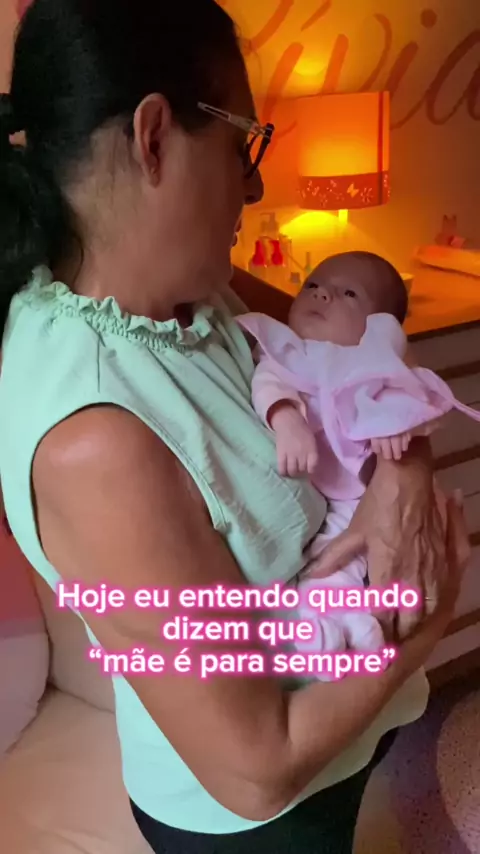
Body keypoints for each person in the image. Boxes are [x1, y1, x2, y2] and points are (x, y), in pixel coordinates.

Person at [0, 2, 469, 852]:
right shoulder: (96, 440)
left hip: (343, 739)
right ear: (153, 138)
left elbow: (357, 363)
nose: (253, 187)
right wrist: (424, 620)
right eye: (241, 143)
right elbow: (256, 768)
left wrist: (400, 477)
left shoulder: (194, 290)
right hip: (256, 823)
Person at [237, 251, 480, 672]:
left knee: (352, 557)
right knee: (325, 556)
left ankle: (341, 624)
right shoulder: (288, 351)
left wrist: (394, 428)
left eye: (348, 293)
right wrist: (287, 419)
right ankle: (332, 629)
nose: (322, 295)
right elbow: (268, 383)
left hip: (359, 494)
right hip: (319, 492)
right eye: (312, 285)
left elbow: (407, 401)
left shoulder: (376, 365)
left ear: (380, 325)